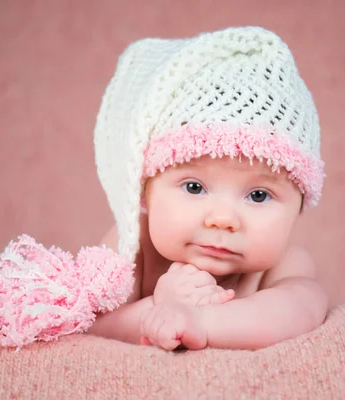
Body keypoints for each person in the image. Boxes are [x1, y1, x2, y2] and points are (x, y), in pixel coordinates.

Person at [88, 26, 328, 351]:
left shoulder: (286, 264)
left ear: (298, 207)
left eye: (258, 195)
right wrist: (158, 307)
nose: (222, 219)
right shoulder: (133, 244)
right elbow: (96, 326)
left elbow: (303, 310)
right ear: (145, 191)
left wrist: (199, 320)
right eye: (194, 187)